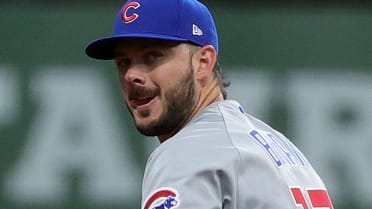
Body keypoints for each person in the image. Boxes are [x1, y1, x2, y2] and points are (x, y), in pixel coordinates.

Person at [85, 0, 334, 208]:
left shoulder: (188, 152)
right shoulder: (277, 146)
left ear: (203, 62)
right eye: (124, 62)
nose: (131, 75)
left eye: (152, 56)